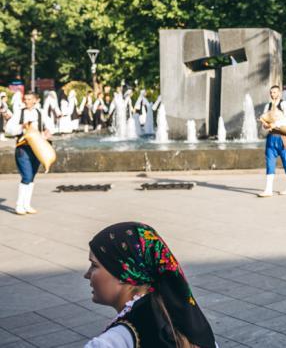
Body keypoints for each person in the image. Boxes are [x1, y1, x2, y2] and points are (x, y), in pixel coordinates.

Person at [83, 222, 216, 348]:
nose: (87, 274)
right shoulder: (191, 326)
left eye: (94, 265)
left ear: (125, 272)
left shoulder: (111, 343)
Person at [4, 91, 53, 215]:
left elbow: (51, 126)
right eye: (25, 99)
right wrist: (21, 127)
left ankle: (27, 205)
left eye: (30, 99)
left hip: (38, 148)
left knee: (31, 177)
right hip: (23, 148)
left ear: (36, 100)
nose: (27, 101)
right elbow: (8, 130)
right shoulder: (19, 113)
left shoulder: (40, 113)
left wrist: (48, 132)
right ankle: (19, 205)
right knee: (26, 176)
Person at [258, 85, 286, 197]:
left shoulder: (284, 104)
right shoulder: (268, 106)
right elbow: (265, 120)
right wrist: (265, 125)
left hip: (282, 137)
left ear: (279, 93)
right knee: (269, 163)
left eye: (274, 92)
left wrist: (276, 124)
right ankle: (268, 189)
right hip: (271, 138)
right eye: (271, 92)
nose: (272, 94)